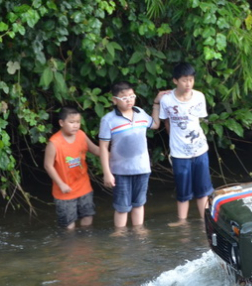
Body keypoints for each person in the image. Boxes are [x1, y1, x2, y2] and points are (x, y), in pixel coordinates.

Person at [99, 81, 165, 228]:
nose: (129, 100)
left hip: (142, 168)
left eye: (131, 96)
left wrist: (156, 103)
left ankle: (139, 235)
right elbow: (103, 147)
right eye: (124, 97)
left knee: (139, 204)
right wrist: (107, 173)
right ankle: (120, 237)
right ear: (114, 100)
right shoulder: (108, 120)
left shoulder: (140, 112)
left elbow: (154, 124)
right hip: (120, 171)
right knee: (122, 208)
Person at [158, 62, 213, 224]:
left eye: (191, 79)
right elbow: (166, 122)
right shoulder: (167, 100)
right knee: (183, 189)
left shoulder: (199, 96)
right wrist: (175, 140)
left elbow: (198, 120)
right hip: (179, 152)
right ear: (175, 81)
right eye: (184, 80)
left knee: (203, 190)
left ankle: (205, 221)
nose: (188, 83)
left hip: (200, 149)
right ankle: (182, 222)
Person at [43, 107, 101, 229]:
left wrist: (115, 154)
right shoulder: (54, 143)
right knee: (68, 225)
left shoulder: (81, 135)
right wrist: (61, 184)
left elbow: (96, 150)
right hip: (64, 191)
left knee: (88, 216)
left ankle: (86, 245)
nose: (75, 125)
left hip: (83, 186)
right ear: (61, 123)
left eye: (78, 122)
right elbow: (48, 166)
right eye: (71, 122)